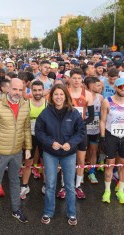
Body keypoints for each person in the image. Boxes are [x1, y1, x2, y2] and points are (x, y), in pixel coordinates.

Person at [0, 78, 32, 231]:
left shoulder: (25, 105)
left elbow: (26, 129)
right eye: (14, 89)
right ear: (8, 89)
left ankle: (16, 210)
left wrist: (28, 148)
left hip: (17, 152)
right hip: (0, 153)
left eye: (20, 90)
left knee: (15, 182)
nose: (17, 93)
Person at [35, 84, 85, 226]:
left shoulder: (74, 112)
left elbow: (81, 132)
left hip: (68, 153)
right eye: (56, 94)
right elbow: (39, 131)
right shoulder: (45, 113)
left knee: (69, 185)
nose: (58, 97)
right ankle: (48, 211)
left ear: (66, 96)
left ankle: (72, 212)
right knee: (50, 184)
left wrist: (72, 143)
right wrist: (50, 142)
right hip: (51, 153)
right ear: (51, 97)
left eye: (61, 94)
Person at [99, 78, 124, 204]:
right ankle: (107, 191)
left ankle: (121, 191)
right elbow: (103, 121)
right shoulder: (107, 102)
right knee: (110, 163)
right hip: (111, 136)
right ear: (115, 88)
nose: (123, 89)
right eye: (120, 87)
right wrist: (103, 138)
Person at [66, 68, 93, 199]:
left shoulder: (87, 94)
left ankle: (77, 186)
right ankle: (64, 185)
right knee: (65, 158)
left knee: (81, 159)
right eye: (74, 78)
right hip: (66, 132)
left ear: (82, 79)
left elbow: (91, 116)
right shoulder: (64, 93)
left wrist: (80, 126)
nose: (76, 80)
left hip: (81, 131)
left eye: (79, 78)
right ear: (70, 79)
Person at [20, 80, 47, 199]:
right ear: (31, 91)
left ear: (43, 91)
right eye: (35, 90)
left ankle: (46, 185)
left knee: (45, 161)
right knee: (28, 162)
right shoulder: (26, 103)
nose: (37, 92)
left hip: (44, 137)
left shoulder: (48, 104)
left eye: (39, 90)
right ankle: (24, 186)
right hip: (30, 137)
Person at [85, 77, 103, 184]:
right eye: (97, 85)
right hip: (84, 129)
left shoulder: (100, 98)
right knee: (81, 152)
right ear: (90, 86)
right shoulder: (83, 97)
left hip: (95, 129)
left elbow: (102, 114)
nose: (100, 87)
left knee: (93, 151)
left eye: (100, 85)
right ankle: (80, 171)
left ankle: (92, 172)